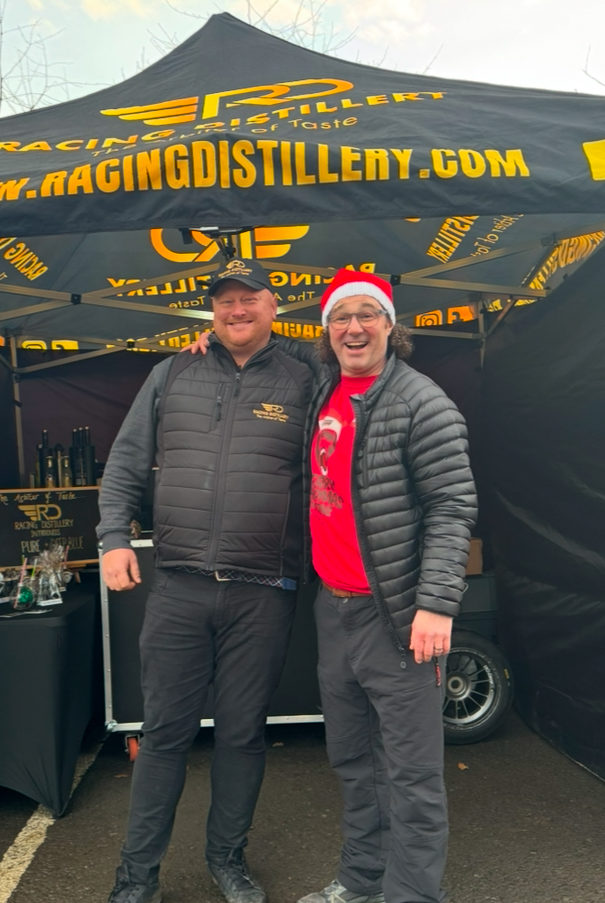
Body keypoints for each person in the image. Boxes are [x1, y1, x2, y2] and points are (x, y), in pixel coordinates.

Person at [97, 256, 314, 903]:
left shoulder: (306, 376)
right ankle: (137, 878)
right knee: (165, 735)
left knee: (242, 734)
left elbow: (358, 365)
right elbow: (125, 460)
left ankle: (227, 859)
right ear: (211, 311)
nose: (236, 310)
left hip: (264, 589)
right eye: (224, 301)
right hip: (180, 584)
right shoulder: (172, 372)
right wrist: (113, 538)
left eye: (249, 298)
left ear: (273, 305)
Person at [296, 269, 478, 903]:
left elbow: (453, 506)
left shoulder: (422, 402)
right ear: (326, 332)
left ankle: (413, 895)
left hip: (396, 614)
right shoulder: (326, 389)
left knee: (412, 774)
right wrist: (213, 340)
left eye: (366, 315)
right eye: (340, 317)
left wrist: (436, 604)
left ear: (390, 326)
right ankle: (362, 879)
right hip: (334, 608)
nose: (353, 328)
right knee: (354, 759)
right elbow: (263, 348)